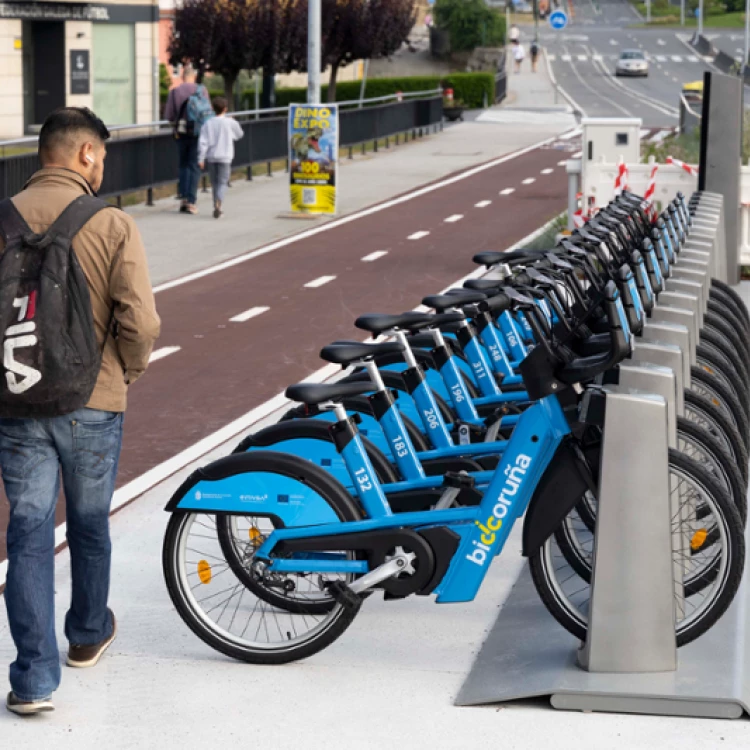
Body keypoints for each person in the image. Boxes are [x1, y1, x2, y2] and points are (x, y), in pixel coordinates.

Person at [0, 107, 160, 716]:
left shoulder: (3, 219)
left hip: (15, 402)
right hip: (93, 402)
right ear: (87, 155)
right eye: (103, 156)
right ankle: (87, 636)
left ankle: (33, 679)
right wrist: (126, 371)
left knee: (29, 531)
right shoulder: (112, 222)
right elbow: (140, 322)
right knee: (90, 525)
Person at [198, 97, 244, 219]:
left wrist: (201, 158)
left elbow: (203, 142)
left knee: (214, 183)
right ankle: (219, 203)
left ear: (213, 108)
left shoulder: (207, 123)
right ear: (225, 109)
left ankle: (216, 206)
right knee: (223, 182)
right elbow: (240, 134)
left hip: (212, 157)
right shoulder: (230, 122)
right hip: (225, 156)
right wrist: (232, 132)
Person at [164, 66, 201, 215]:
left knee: (183, 165)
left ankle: (184, 199)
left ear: (182, 76)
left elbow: (169, 115)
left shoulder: (175, 92)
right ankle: (191, 202)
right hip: (198, 133)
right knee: (194, 166)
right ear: (194, 77)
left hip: (181, 132)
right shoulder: (201, 91)